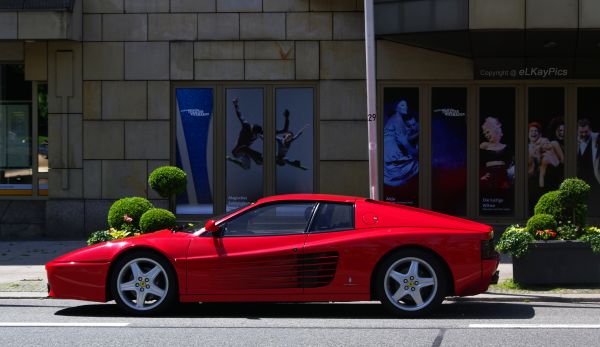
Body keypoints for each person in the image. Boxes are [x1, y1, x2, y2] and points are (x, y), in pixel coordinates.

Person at [383, 99, 419, 187]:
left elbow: (404, 139)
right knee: (415, 165)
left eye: (406, 105)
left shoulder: (396, 119)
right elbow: (403, 141)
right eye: (402, 105)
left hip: (389, 152)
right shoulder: (398, 119)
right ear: (396, 108)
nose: (406, 107)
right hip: (391, 153)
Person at [227, 98, 263, 170]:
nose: (255, 136)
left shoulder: (259, 133)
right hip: (237, 151)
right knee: (245, 148)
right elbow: (240, 116)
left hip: (245, 152)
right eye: (254, 134)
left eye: (256, 135)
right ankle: (259, 158)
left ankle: (229, 159)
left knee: (247, 167)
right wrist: (236, 105)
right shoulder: (246, 126)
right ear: (252, 130)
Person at [479, 117, 513, 192]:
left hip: (503, 177)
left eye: (488, 132)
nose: (486, 135)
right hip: (489, 177)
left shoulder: (506, 147)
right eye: (485, 134)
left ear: (495, 129)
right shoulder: (484, 146)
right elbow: (477, 163)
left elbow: (511, 165)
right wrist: (481, 176)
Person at [577, 118, 600, 187]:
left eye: (586, 132)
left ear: (590, 130)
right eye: (581, 132)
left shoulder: (597, 138)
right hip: (580, 179)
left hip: (595, 178)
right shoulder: (574, 141)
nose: (584, 134)